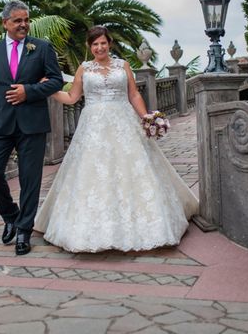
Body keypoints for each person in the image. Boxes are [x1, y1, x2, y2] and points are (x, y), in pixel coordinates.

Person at [34, 26, 198, 252]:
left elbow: (133, 94)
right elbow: (72, 97)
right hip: (93, 127)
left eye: (102, 43)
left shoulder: (123, 65)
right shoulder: (84, 68)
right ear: (89, 47)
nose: (99, 47)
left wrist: (146, 117)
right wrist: (49, 90)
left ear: (109, 43)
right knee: (92, 172)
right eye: (94, 44)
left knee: (133, 168)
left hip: (124, 122)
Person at [0, 0, 63, 255]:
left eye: (26, 19)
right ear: (5, 23)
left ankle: (24, 230)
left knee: (30, 179)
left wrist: (29, 91)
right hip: (0, 123)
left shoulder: (42, 48)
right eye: (18, 20)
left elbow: (56, 81)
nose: (24, 24)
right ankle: (10, 215)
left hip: (32, 124)